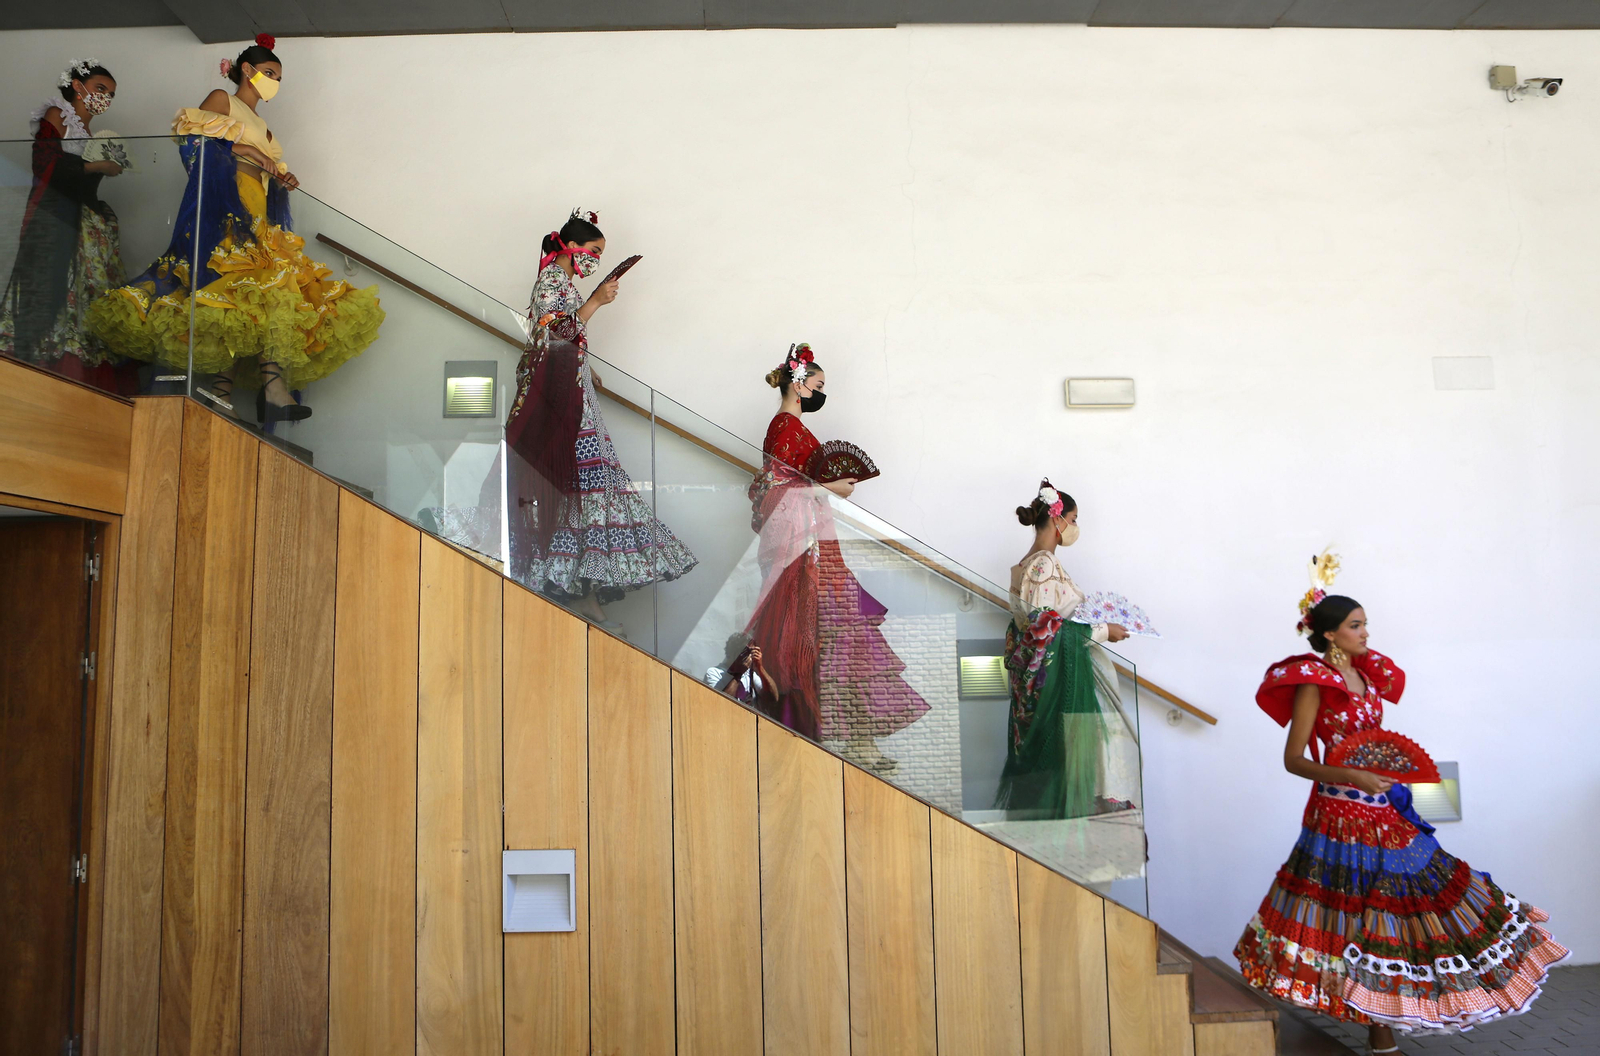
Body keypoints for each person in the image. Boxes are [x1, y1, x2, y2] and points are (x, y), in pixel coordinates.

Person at [1235, 554, 1569, 1053]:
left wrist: (1387, 780)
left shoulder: (1367, 678)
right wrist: (1345, 773)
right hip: (1338, 817)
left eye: (1366, 623)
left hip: (1382, 807)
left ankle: (1383, 1017)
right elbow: (1293, 759)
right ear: (1330, 634)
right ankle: (1378, 1028)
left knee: (1410, 897)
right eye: (1355, 625)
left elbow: (1378, 743)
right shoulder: (1313, 681)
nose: (1366, 632)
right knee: (1350, 911)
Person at [87, 34, 384, 424]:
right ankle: (265, 392)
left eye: (276, 77)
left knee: (250, 301)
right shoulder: (222, 100)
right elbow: (192, 143)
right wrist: (247, 151)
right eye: (268, 73)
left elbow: (263, 165)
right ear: (246, 70)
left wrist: (280, 177)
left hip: (258, 214)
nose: (273, 83)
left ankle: (226, 396)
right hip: (226, 210)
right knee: (241, 294)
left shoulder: (264, 125)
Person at [504, 208, 696, 623]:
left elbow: (559, 338)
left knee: (589, 482)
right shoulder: (552, 280)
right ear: (571, 247)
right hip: (560, 398)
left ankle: (578, 588)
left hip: (571, 387)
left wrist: (585, 364)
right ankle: (571, 586)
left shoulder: (561, 281)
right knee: (584, 481)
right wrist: (594, 303)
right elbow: (553, 331)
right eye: (593, 251)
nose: (594, 261)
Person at [744, 343, 928, 771]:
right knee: (825, 639)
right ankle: (834, 738)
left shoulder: (793, 427)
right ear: (800, 382)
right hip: (803, 551)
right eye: (819, 385)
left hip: (817, 545)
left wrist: (827, 489)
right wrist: (829, 489)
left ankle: (855, 740)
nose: (822, 392)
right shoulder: (783, 427)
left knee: (842, 642)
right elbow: (774, 490)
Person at [996, 480, 1139, 819]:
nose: (1075, 527)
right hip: (1057, 679)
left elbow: (1041, 624)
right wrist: (1104, 630)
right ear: (1057, 521)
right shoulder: (1044, 564)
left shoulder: (1028, 562)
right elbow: (1046, 630)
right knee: (1090, 749)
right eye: (1073, 519)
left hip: (1050, 673)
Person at [0, 59, 136, 394]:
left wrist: (100, 170)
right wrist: (93, 167)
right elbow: (44, 164)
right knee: (56, 291)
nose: (105, 98)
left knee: (88, 298)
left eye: (111, 94)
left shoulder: (89, 133)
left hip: (85, 222)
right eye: (101, 89)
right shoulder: (57, 115)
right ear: (78, 86)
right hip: (57, 218)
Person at [703, 632, 781, 711]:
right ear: (732, 652)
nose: (748, 656)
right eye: (745, 652)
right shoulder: (714, 673)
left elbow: (773, 697)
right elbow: (720, 704)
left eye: (750, 652)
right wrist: (738, 674)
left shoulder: (750, 675)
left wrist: (760, 668)